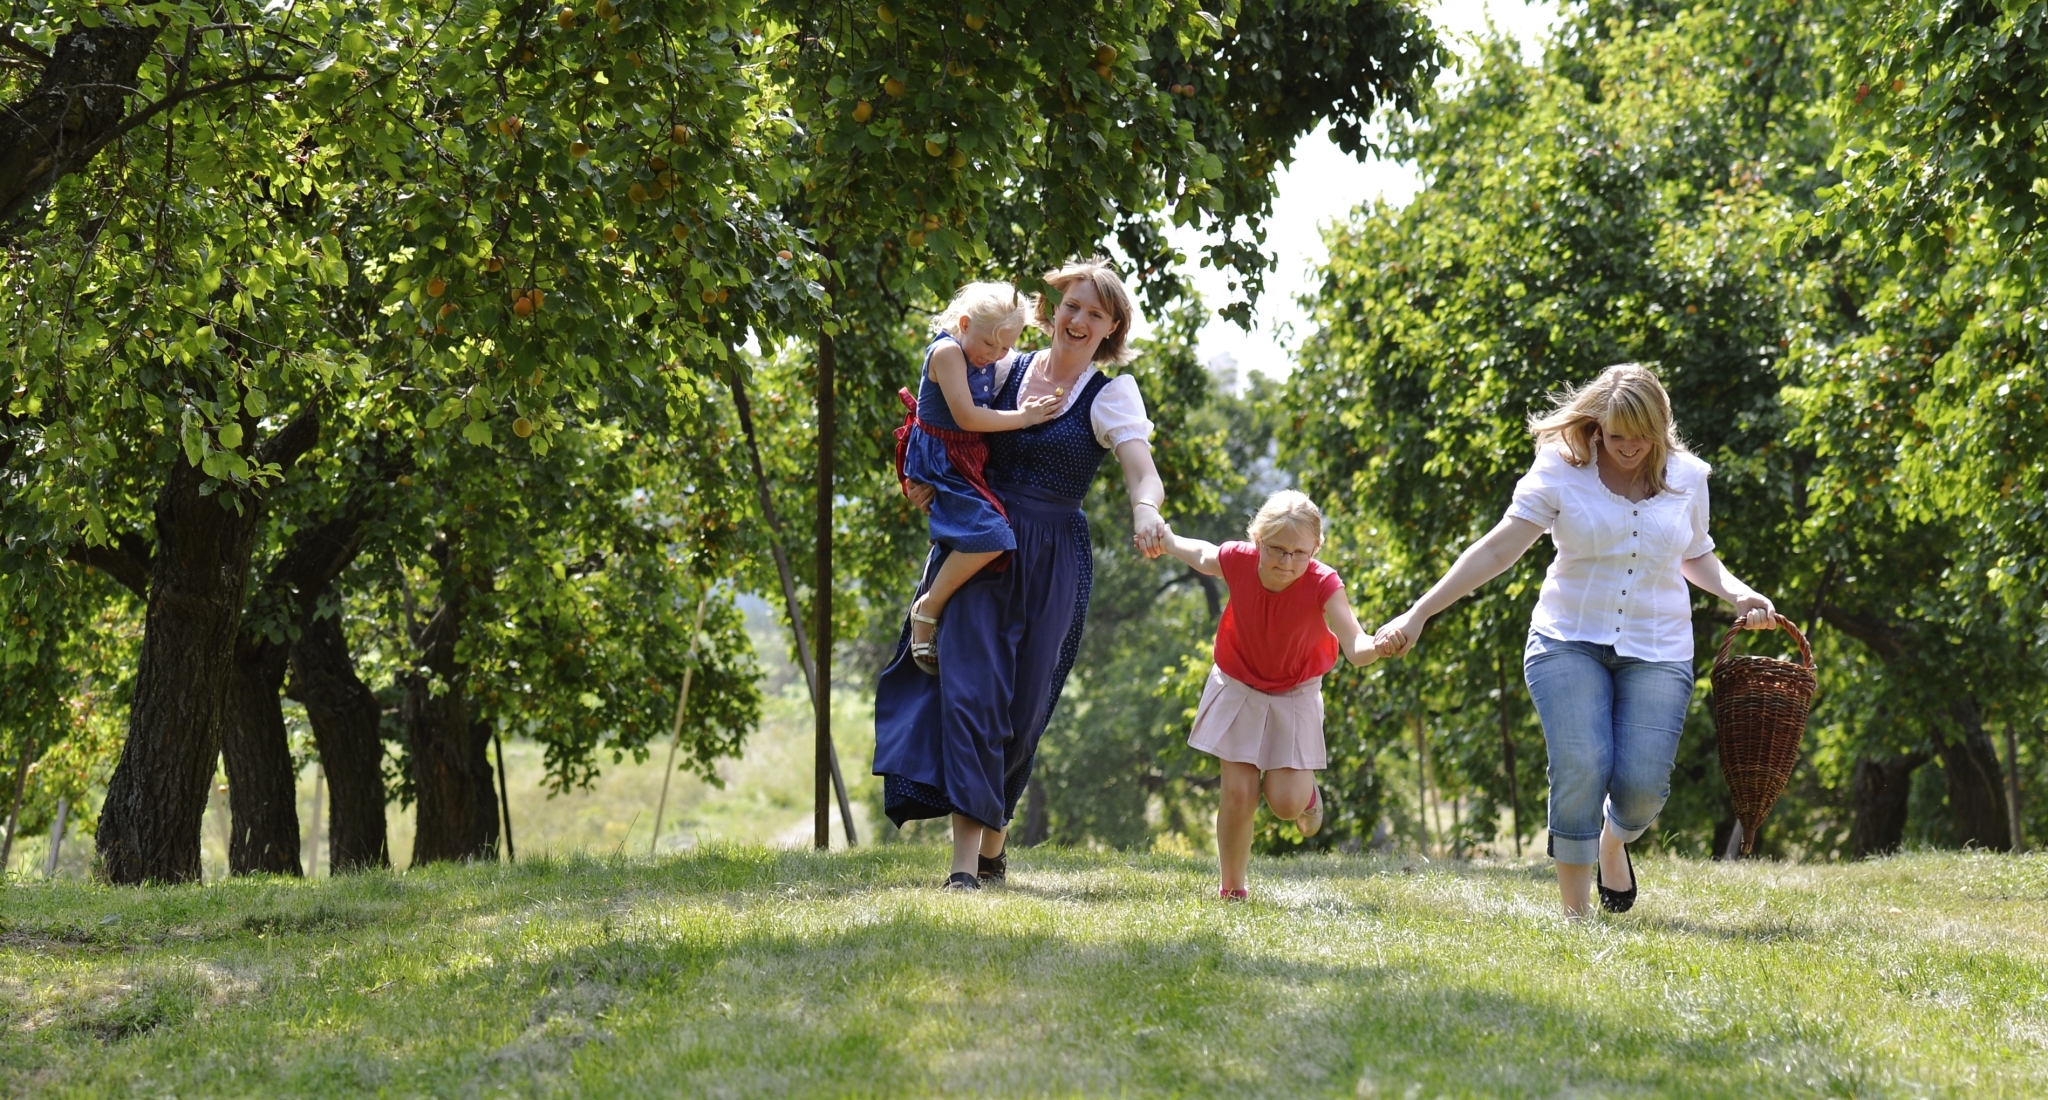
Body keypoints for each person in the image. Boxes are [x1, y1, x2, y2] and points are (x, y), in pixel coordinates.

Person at [1373, 364, 1777, 917]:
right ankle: (1575, 917)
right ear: (1595, 425)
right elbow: (1497, 550)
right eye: (1616, 435)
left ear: (1661, 428)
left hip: (1658, 647)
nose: (1629, 447)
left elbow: (1695, 553)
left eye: (1642, 436)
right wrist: (1419, 614)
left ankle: (1614, 842)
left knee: (1642, 787)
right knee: (1582, 761)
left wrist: (1740, 594)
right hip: (1567, 638)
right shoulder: (1562, 469)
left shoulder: (1688, 477)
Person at [874, 258, 1168, 890]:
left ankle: (992, 842)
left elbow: (1141, 469)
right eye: (1072, 306)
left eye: (1096, 312)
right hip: (983, 542)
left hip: (1055, 558)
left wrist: (1146, 510)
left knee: (1022, 710)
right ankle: (961, 870)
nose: (1079, 319)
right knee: (971, 695)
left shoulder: (1110, 393)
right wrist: (922, 479)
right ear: (1053, 309)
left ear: (1111, 327)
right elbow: (944, 425)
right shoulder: (1001, 365)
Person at [1157, 490, 1381, 900]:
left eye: (1300, 552)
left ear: (1315, 549)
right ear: (1257, 540)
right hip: (1239, 681)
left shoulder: (1323, 583)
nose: (1287, 562)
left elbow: (1355, 645)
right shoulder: (1240, 560)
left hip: (1294, 692)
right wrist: (1167, 540)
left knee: (1285, 804)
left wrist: (1380, 645)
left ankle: (1308, 794)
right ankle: (1232, 888)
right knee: (1239, 792)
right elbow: (1204, 555)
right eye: (1277, 549)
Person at [893, 282, 1060, 673]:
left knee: (989, 533)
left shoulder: (986, 351)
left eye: (1005, 347)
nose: (996, 355)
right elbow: (967, 417)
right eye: (990, 344)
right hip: (943, 458)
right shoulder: (948, 352)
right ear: (964, 323)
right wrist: (1024, 417)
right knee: (994, 536)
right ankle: (929, 606)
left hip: (966, 455)